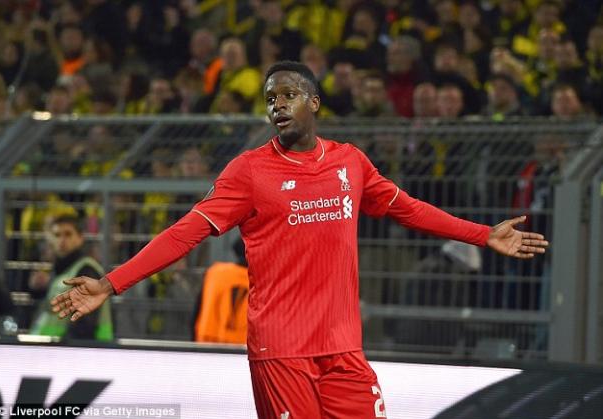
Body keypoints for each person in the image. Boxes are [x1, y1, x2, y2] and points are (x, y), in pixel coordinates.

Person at [50, 61, 548, 418]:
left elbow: (408, 209)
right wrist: (111, 284)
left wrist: (484, 235)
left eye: (287, 95)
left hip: (343, 349)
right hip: (281, 352)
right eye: (270, 99)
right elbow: (184, 234)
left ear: (314, 101)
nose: (277, 105)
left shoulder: (350, 161)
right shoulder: (248, 172)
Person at [31, 215, 113, 341]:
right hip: (54, 352)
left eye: (68, 234)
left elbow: (85, 325)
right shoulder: (63, 269)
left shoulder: (86, 271)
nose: (62, 240)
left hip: (71, 354)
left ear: (80, 238)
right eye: (57, 235)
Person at [193, 238, 249, 344]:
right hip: (242, 351)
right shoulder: (264, 281)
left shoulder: (215, 273)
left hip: (207, 345)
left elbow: (197, 310)